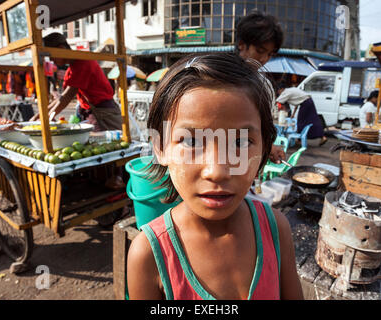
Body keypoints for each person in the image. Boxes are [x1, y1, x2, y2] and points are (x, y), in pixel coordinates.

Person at [127, 53, 304, 300]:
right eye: (190, 142)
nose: (217, 171)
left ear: (265, 147)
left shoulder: (276, 229)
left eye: (240, 142)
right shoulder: (148, 254)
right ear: (160, 148)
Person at [30, 33, 122, 132]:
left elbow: (66, 97)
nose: (51, 59)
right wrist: (40, 115)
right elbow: (62, 97)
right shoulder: (72, 69)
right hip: (91, 112)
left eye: (51, 55)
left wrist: (46, 117)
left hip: (104, 113)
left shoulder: (82, 62)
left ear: (61, 48)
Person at [235, 11, 286, 163]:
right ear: (242, 45)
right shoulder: (222, 78)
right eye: (260, 51)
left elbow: (262, 128)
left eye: (269, 54)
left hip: (249, 162)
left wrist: (269, 146)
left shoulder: (265, 85)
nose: (264, 59)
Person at [276, 82, 327, 146]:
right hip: (310, 102)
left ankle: (299, 140)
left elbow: (278, 101)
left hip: (305, 104)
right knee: (314, 120)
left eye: (278, 92)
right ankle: (323, 137)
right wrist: (293, 114)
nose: (279, 93)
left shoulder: (286, 92)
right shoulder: (292, 89)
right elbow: (297, 104)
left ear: (281, 89)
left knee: (301, 121)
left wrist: (278, 110)